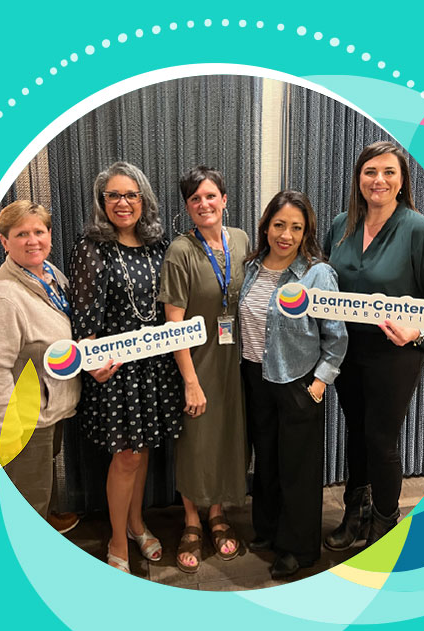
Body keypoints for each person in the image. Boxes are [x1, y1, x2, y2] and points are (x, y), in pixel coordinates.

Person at [324, 141, 424, 550]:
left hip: (394, 353)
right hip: (347, 351)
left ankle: (385, 521)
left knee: (381, 441)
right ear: (358, 179)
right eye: (370, 171)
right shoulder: (341, 225)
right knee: (356, 433)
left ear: (402, 181)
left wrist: (416, 332)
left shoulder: (419, 230)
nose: (378, 180)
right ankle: (356, 511)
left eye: (389, 172)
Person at [67, 162, 184, 574]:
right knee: (127, 457)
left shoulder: (157, 244)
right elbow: (83, 317)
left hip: (154, 366)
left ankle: (136, 524)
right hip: (116, 372)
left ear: (143, 200)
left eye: (131, 195)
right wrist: (90, 362)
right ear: (102, 202)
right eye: (113, 195)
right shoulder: (91, 247)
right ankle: (117, 539)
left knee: (143, 449)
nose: (123, 203)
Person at [239, 190, 348, 578]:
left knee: (297, 469)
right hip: (256, 377)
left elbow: (336, 336)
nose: (286, 235)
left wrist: (320, 383)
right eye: (279, 225)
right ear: (266, 226)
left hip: (298, 382)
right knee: (267, 460)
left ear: (306, 233)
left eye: (296, 228)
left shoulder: (318, 274)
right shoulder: (252, 267)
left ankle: (298, 549)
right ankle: (268, 529)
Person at [158, 165, 249, 573]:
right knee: (196, 442)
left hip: (236, 361)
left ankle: (217, 513)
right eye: (195, 198)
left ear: (224, 200)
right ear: (187, 207)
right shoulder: (180, 251)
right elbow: (173, 324)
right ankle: (192, 520)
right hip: (197, 363)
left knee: (227, 437)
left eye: (211, 195)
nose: (204, 203)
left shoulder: (242, 240)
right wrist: (190, 382)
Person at [0, 200, 82, 535]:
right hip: (23, 417)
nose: (33, 240)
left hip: (50, 402)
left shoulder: (50, 274)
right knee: (26, 491)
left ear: (50, 235)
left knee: (42, 473)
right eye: (21, 234)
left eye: (39, 231)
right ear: (4, 242)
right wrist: (10, 430)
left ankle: (45, 516)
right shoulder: (3, 296)